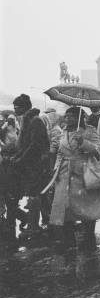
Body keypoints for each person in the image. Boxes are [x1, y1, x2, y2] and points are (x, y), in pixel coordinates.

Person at [49, 107, 100, 249]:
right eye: (67, 116)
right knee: (66, 208)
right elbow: (60, 153)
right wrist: (55, 169)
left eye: (72, 116)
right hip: (64, 175)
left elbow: (99, 149)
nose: (68, 119)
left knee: (86, 209)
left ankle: (89, 237)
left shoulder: (90, 130)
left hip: (84, 174)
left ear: (80, 118)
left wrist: (83, 142)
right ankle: (70, 242)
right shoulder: (63, 132)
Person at [11, 94, 50, 238]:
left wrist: (20, 159)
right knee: (36, 195)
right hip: (31, 165)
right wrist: (18, 157)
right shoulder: (27, 120)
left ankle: (33, 227)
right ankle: (38, 223)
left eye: (17, 108)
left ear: (25, 107)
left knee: (34, 195)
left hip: (36, 165)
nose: (15, 110)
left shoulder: (35, 121)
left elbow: (34, 145)